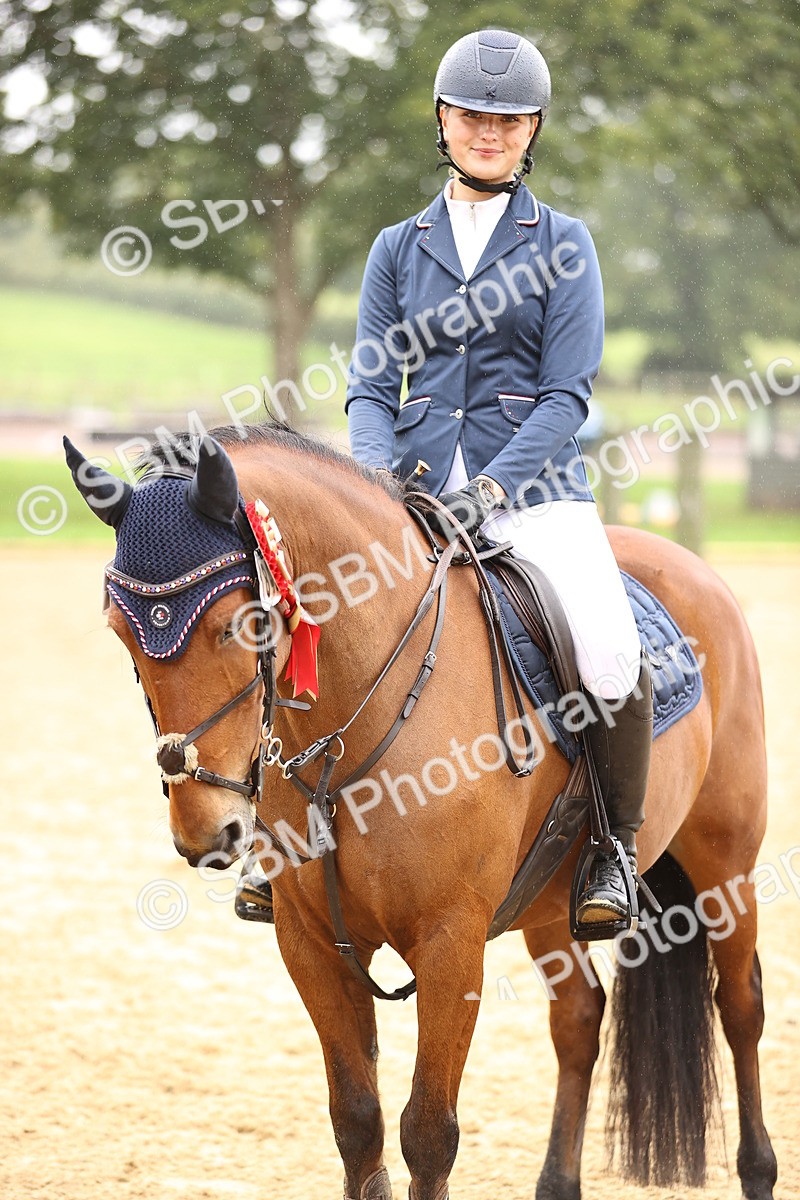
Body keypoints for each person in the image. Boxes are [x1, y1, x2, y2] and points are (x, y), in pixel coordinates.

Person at [345, 28, 653, 935]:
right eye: (473, 115)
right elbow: (370, 385)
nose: (490, 131)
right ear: (443, 121)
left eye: (508, 119)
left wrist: (494, 492)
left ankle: (614, 849)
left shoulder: (565, 243)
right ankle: (288, 836)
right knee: (312, 622)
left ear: (533, 131)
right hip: (412, 486)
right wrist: (373, 480)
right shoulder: (396, 250)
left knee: (609, 647)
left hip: (538, 490)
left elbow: (566, 395)